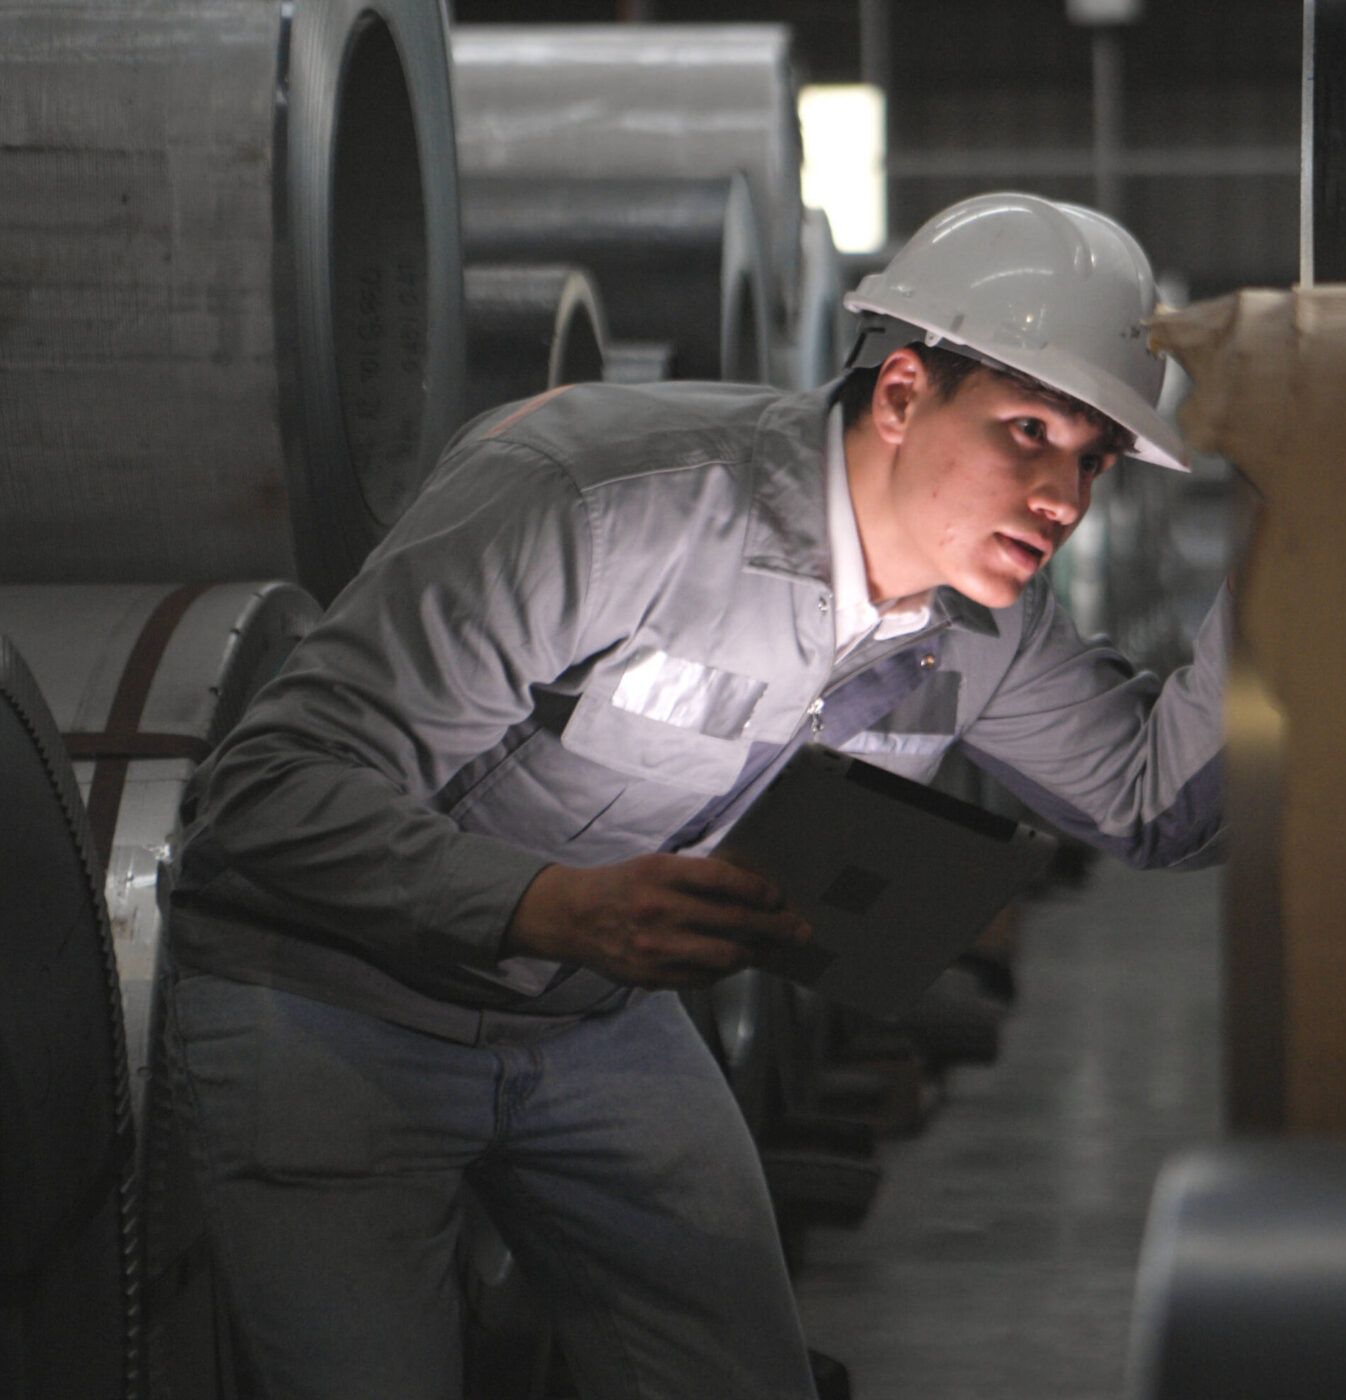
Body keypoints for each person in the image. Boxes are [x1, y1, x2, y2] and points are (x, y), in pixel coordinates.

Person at [163, 192, 1224, 1399]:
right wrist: (548, 905)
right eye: (1028, 430)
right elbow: (266, 793)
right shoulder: (602, 500)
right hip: (334, 1001)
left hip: (587, 1019)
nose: (1064, 498)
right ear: (900, 394)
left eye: (1091, 458)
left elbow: (1158, 803)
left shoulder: (985, 625)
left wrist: (1313, 524)